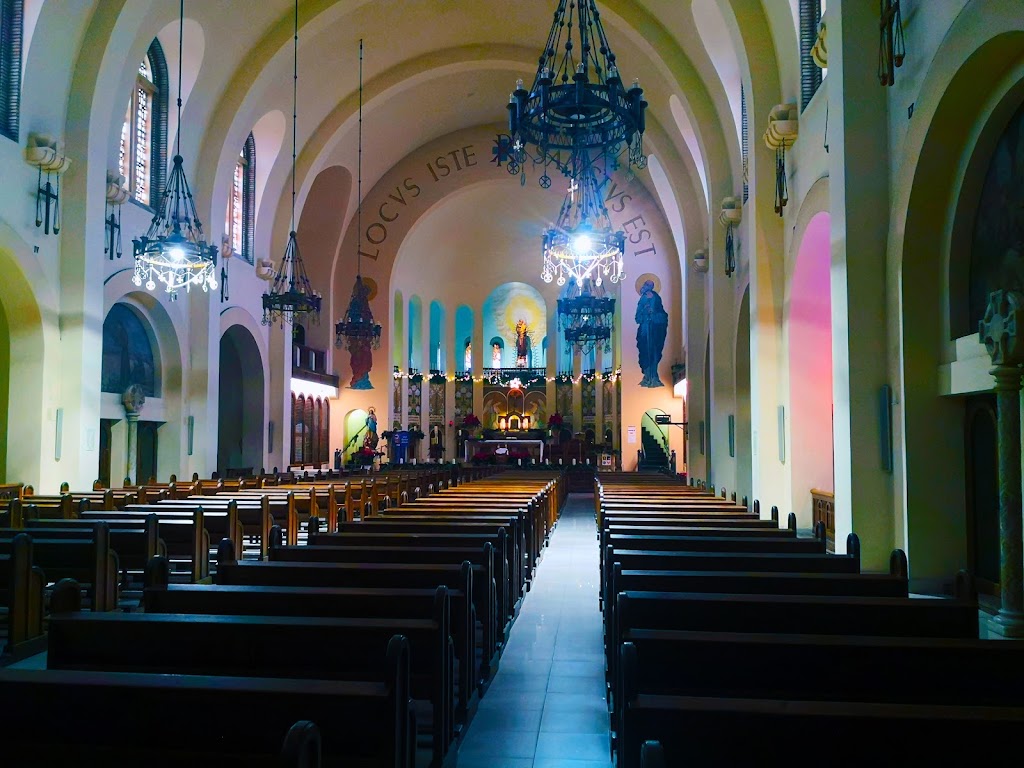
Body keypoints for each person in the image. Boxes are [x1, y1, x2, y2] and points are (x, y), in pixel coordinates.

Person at [635, 280, 668, 387]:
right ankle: (647, 376)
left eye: (649, 285)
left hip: (655, 330)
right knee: (644, 350)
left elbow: (662, 313)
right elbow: (637, 317)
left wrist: (653, 313)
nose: (646, 286)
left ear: (652, 287)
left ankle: (654, 376)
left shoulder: (656, 298)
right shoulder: (642, 299)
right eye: (645, 284)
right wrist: (644, 311)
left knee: (655, 351)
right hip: (645, 330)